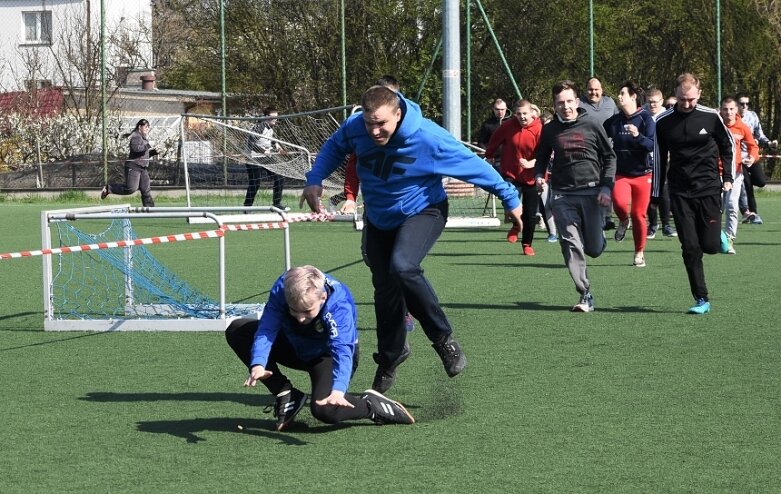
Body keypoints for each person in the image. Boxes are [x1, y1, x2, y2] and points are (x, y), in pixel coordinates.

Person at [302, 85, 522, 392]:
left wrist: (511, 198)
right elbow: (334, 146)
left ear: (398, 113)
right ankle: (390, 359)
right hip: (379, 219)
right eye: (369, 124)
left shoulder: (428, 138)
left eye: (381, 123)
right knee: (385, 289)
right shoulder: (356, 127)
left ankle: (443, 340)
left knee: (403, 266)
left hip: (423, 210)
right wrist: (315, 180)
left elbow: (473, 166)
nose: (374, 131)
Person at [225, 265, 414, 431]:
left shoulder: (338, 305)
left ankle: (372, 407)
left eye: (307, 311)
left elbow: (342, 351)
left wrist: (339, 390)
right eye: (294, 310)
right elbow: (267, 327)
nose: (300, 318)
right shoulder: (283, 288)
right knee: (237, 330)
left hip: (326, 356)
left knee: (325, 410)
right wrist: (258, 363)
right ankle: (287, 394)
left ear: (322, 297)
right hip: (294, 344)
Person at [653, 73, 734, 314]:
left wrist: (727, 177)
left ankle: (715, 233)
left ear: (698, 94)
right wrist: (656, 194)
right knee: (690, 247)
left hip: (709, 188)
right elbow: (658, 159)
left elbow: (727, 145)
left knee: (709, 246)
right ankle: (702, 298)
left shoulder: (711, 116)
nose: (686, 104)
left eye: (690, 99)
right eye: (681, 99)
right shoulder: (663, 121)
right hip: (679, 191)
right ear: (675, 94)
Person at [535, 80, 616, 312]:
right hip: (562, 194)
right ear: (554, 105)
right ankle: (585, 293)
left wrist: (606, 187)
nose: (566, 106)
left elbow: (610, 157)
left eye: (570, 101)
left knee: (593, 248)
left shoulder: (592, 123)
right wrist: (540, 175)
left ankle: (598, 236)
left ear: (577, 101)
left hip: (592, 192)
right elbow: (541, 157)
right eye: (560, 103)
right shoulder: (550, 130)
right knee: (571, 243)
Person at [603, 81, 656, 267]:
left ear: (633, 97)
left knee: (639, 214)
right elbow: (600, 132)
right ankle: (623, 221)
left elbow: (651, 145)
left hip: (643, 174)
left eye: (622, 93)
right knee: (618, 203)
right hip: (621, 174)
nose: (619, 96)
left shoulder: (645, 119)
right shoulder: (615, 121)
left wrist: (637, 136)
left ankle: (639, 252)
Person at [485, 99, 543, 255]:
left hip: (532, 177)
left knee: (530, 214)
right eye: (518, 114)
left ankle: (526, 244)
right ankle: (517, 223)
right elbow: (494, 140)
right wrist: (489, 155)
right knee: (509, 203)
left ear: (532, 112)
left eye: (525, 113)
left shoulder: (539, 128)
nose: (522, 117)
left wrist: (532, 163)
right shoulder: (508, 126)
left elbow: (545, 153)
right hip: (511, 173)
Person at [719, 96, 759, 254]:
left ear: (736, 110)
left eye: (731, 109)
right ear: (720, 110)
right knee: (716, 208)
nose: (728, 112)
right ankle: (713, 237)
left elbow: (753, 147)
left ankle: (729, 239)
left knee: (732, 207)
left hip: (735, 173)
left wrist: (752, 157)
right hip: (714, 173)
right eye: (725, 109)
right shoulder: (715, 125)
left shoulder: (742, 127)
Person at [579, 77, 619, 231]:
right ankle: (593, 215)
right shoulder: (580, 104)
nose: (593, 92)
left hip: (608, 150)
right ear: (585, 90)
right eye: (590, 89)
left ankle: (607, 217)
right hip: (588, 151)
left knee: (608, 181)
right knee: (592, 183)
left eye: (596, 89)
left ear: (601, 90)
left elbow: (616, 121)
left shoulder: (610, 103)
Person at [736, 93, 778, 225]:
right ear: (736, 105)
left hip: (751, 156)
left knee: (761, 182)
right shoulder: (732, 118)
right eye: (742, 104)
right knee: (747, 185)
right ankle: (753, 213)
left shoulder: (752, 116)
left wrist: (769, 143)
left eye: (747, 104)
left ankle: (742, 185)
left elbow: (760, 135)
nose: (744, 106)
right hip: (739, 159)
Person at [101, 119, 157, 207]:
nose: (147, 128)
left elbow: (143, 155)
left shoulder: (144, 139)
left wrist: (154, 152)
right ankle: (109, 188)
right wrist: (148, 145)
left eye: (148, 127)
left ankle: (150, 209)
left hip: (142, 168)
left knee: (146, 189)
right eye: (146, 126)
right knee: (131, 189)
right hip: (134, 166)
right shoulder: (135, 137)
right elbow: (136, 150)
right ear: (140, 127)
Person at [644, 87, 677, 239]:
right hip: (646, 160)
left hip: (664, 160)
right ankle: (652, 225)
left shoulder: (668, 116)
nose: (652, 105)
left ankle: (666, 225)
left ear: (661, 101)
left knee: (663, 192)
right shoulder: (642, 116)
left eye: (655, 102)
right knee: (649, 193)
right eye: (649, 102)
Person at [244, 106, 286, 210]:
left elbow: (269, 139)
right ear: (266, 117)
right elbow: (251, 143)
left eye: (277, 118)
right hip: (253, 158)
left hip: (266, 158)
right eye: (273, 118)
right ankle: (247, 207)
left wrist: (277, 146)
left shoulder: (271, 127)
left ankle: (277, 204)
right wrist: (263, 151)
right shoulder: (260, 127)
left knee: (279, 177)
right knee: (255, 183)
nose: (275, 120)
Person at [477, 98, 510, 169]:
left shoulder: (512, 123)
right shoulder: (487, 124)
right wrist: (488, 156)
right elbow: (481, 142)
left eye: (502, 109)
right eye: (497, 109)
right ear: (493, 109)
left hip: (511, 159)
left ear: (506, 109)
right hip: (495, 161)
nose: (500, 112)